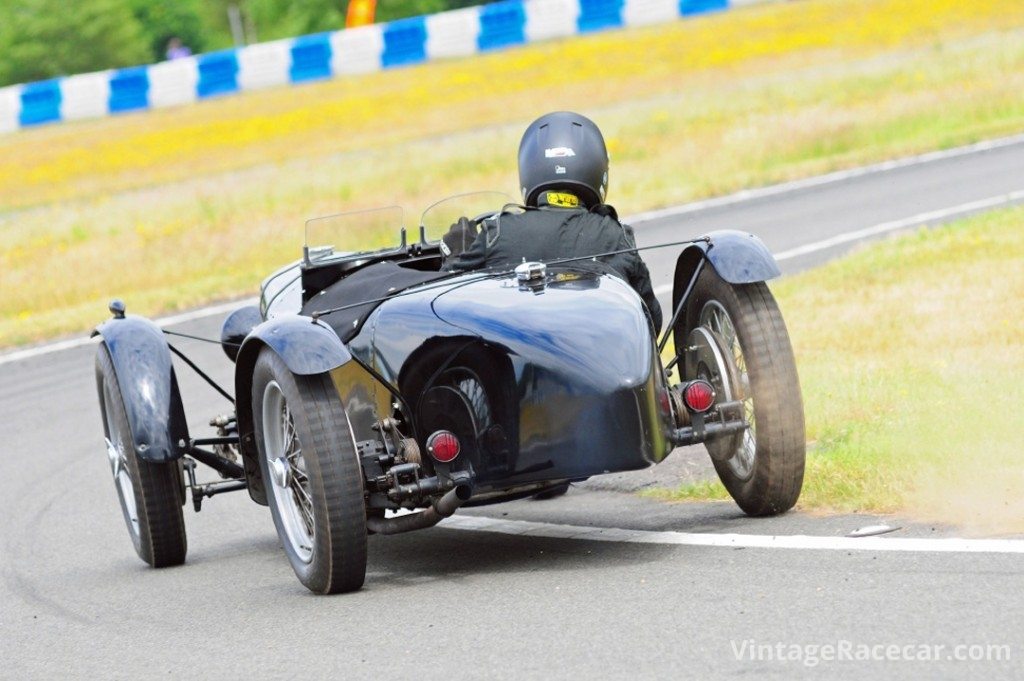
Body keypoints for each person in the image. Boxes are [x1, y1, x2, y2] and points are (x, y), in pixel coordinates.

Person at [445, 111, 662, 333]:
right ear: (599, 169)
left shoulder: (498, 233)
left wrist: (454, 252)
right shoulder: (615, 236)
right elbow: (651, 321)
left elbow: (443, 299)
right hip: (599, 361)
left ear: (528, 168)